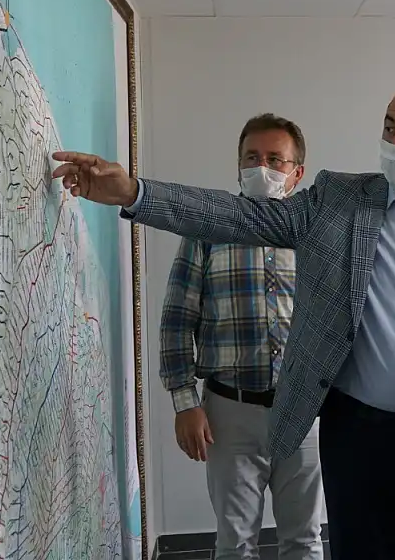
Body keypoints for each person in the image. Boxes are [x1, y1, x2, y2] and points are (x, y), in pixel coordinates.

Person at [52, 83, 395, 560]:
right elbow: (235, 215)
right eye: (389, 127)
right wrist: (134, 192)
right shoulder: (338, 200)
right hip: (359, 434)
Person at [159, 113, 322, 560]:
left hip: (303, 410)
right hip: (229, 413)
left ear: (297, 172)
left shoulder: (316, 235)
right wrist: (185, 403)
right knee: (234, 544)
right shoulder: (206, 231)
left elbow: (339, 323)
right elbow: (177, 320)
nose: (261, 167)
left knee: (304, 540)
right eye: (251, 157)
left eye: (275, 159)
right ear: (238, 165)